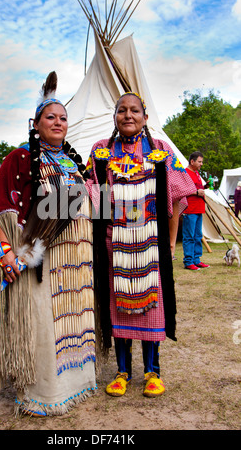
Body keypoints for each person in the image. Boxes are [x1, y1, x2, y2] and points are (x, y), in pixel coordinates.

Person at [0, 72, 96, 416]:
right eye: (51, 117)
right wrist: (5, 252)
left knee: (76, 319)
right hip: (41, 263)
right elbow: (0, 208)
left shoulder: (76, 163)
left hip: (78, 261)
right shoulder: (18, 158)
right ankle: (45, 393)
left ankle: (78, 384)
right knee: (45, 324)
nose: (59, 122)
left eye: (63, 118)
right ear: (36, 123)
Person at [85, 92, 196, 398]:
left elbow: (179, 194)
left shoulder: (160, 149)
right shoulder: (100, 151)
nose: (128, 115)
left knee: (152, 306)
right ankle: (122, 372)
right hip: (114, 242)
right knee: (118, 305)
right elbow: (89, 192)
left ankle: (152, 372)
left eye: (135, 110)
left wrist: (171, 242)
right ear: (115, 117)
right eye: (122, 110)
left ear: (145, 118)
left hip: (150, 242)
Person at [182, 151, 210, 271]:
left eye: (202, 162)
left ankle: (196, 259)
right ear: (192, 161)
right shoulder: (185, 173)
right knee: (189, 236)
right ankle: (188, 261)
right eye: (199, 161)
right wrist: (196, 192)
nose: (201, 164)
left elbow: (196, 188)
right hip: (190, 209)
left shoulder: (196, 173)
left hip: (199, 208)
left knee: (198, 235)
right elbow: (181, 190)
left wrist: (204, 187)